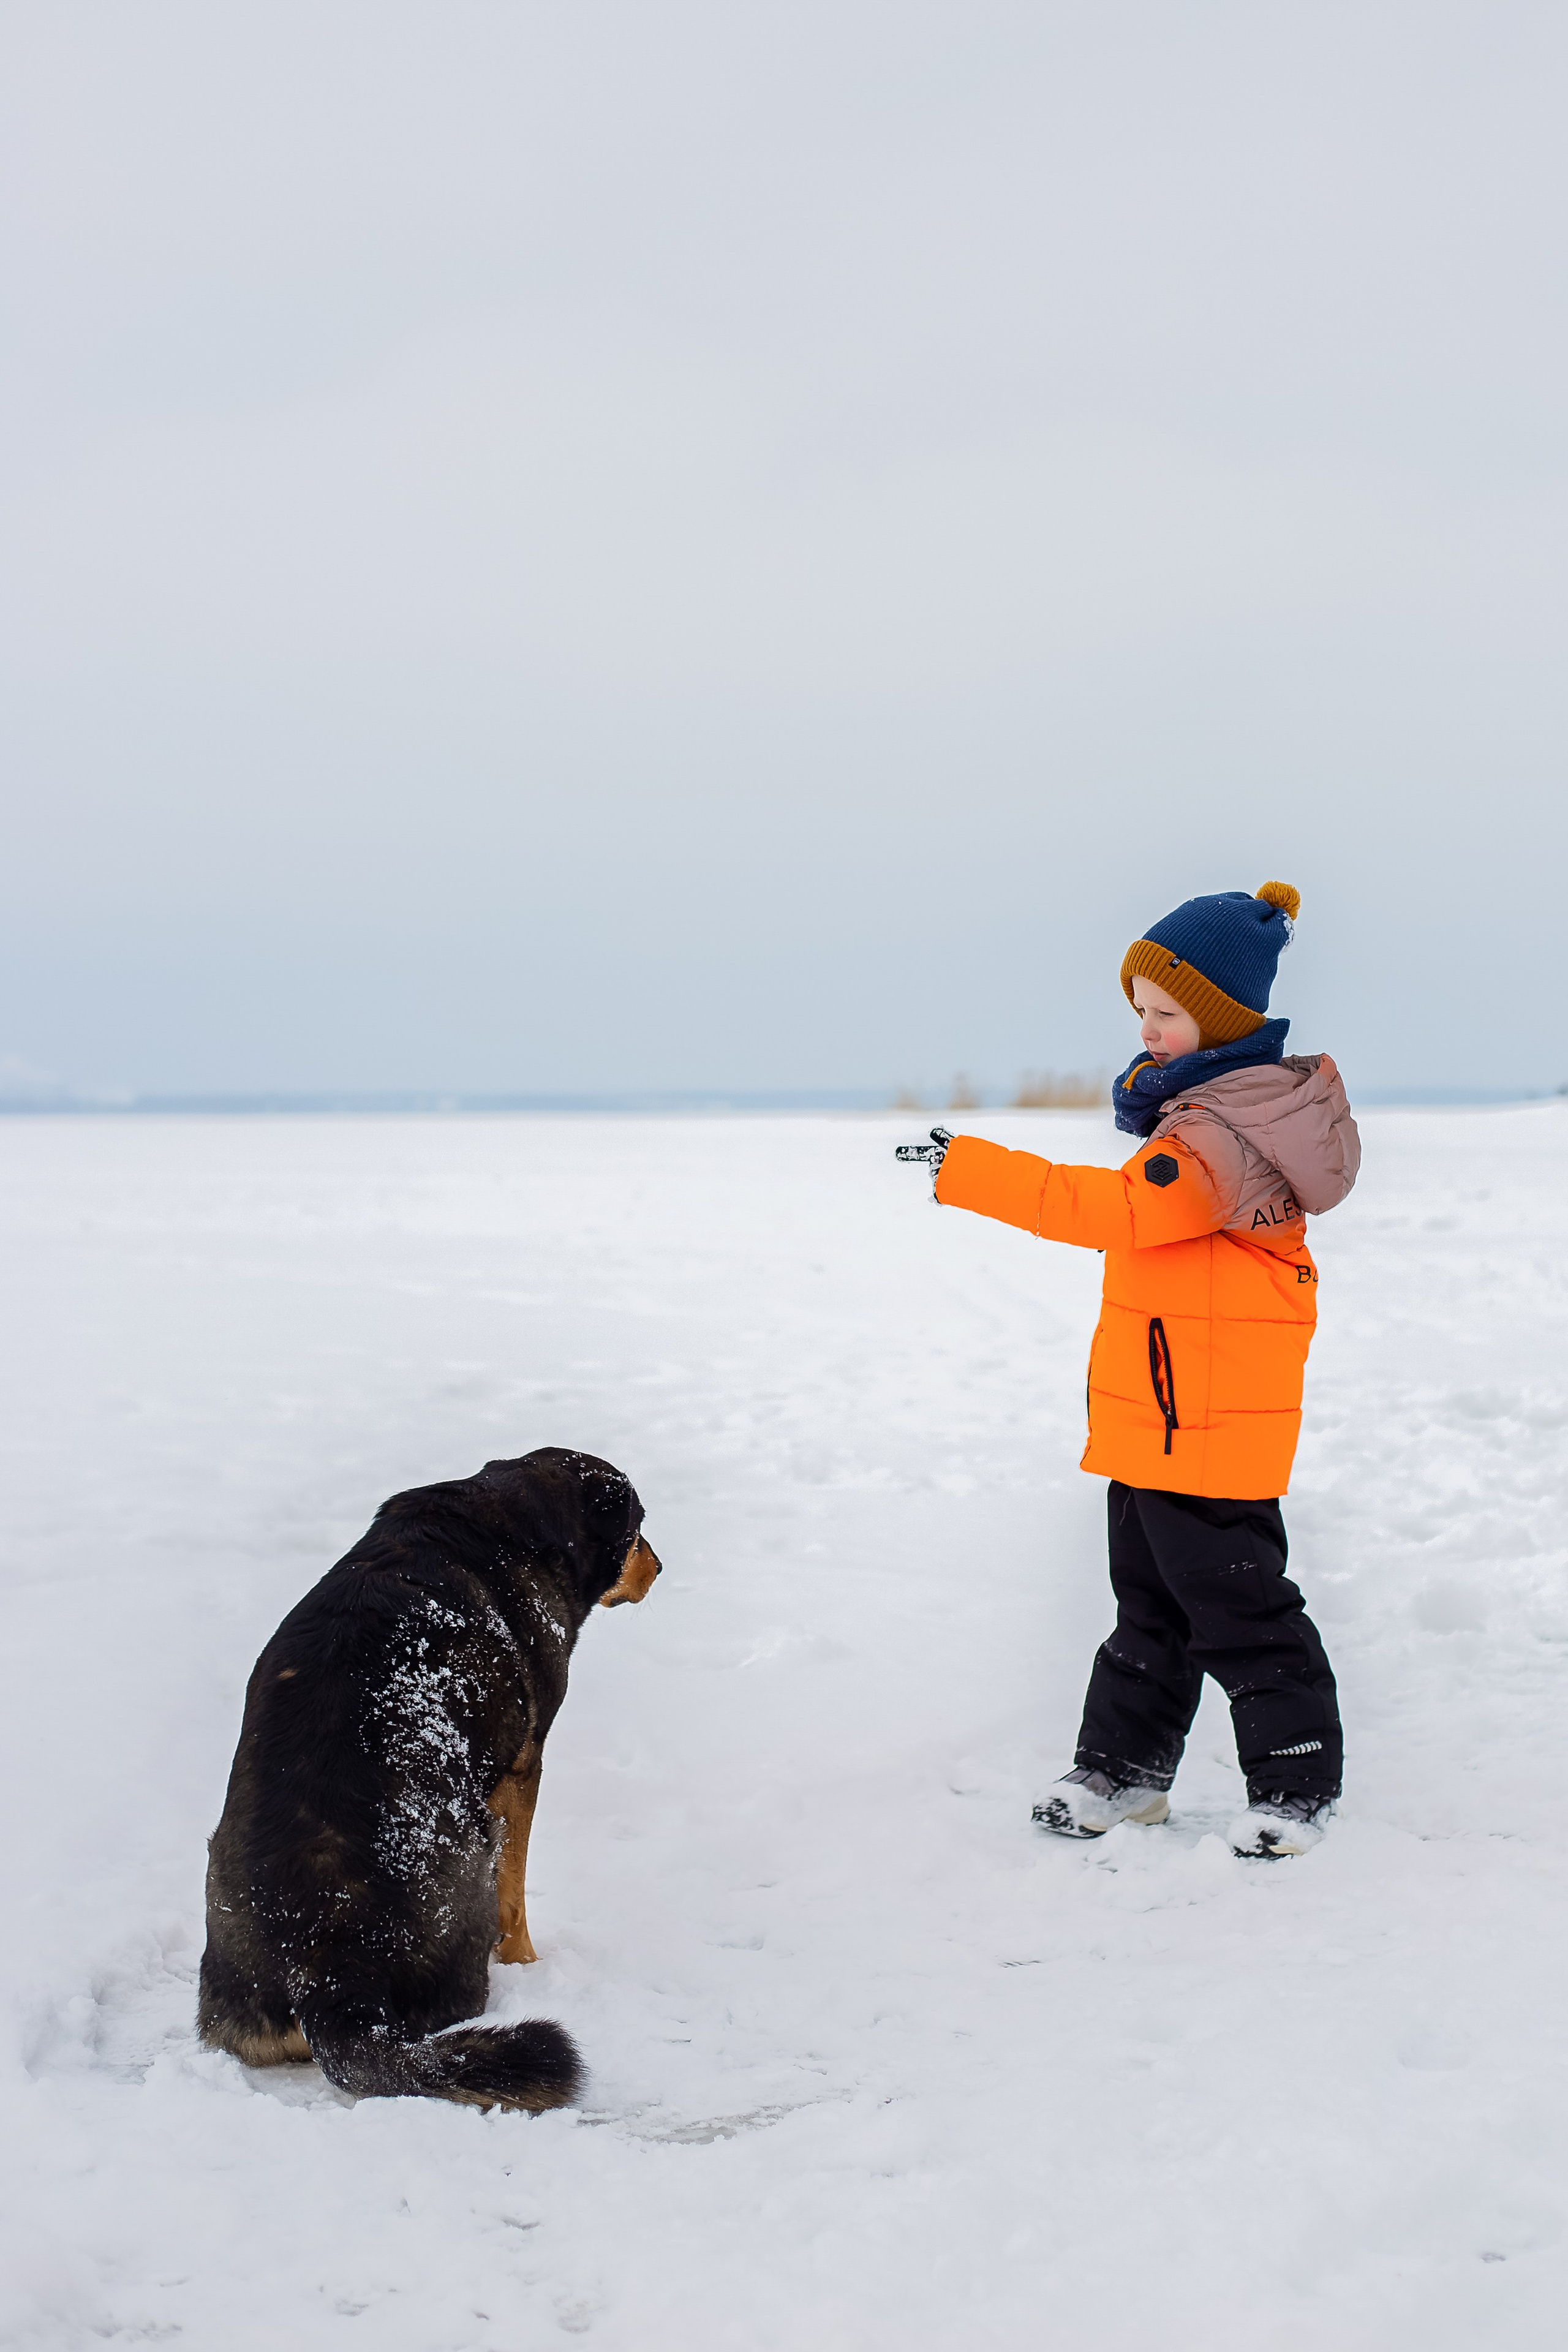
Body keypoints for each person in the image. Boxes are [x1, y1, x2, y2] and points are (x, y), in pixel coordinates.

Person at [897, 883, 1359, 1858]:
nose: (1145, 1030)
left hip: (1208, 1420)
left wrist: (968, 1170)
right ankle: (1126, 1770)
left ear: (1223, 1017)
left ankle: (1297, 1784)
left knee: (1241, 1611)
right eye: (1139, 1012)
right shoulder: (1207, 1110)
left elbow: (1117, 1211)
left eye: (1165, 1012)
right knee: (1146, 1605)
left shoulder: (1217, 1134)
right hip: (1162, 1413)